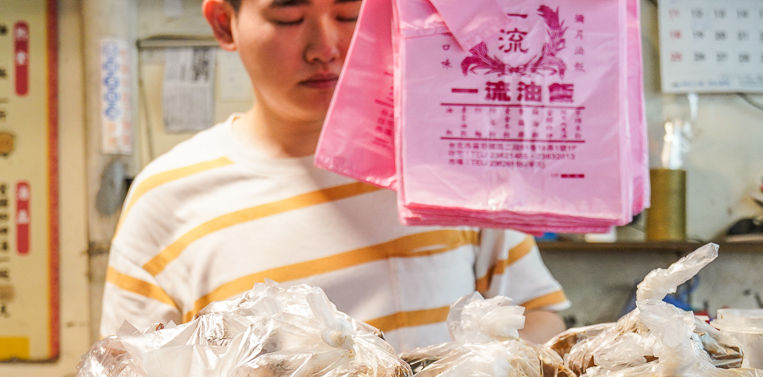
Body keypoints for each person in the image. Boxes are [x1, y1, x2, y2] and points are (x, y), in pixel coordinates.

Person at [99, 0, 569, 350]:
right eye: (287, 17)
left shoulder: (444, 164)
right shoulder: (166, 199)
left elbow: (541, 318)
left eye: (348, 13)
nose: (325, 48)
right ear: (225, 23)